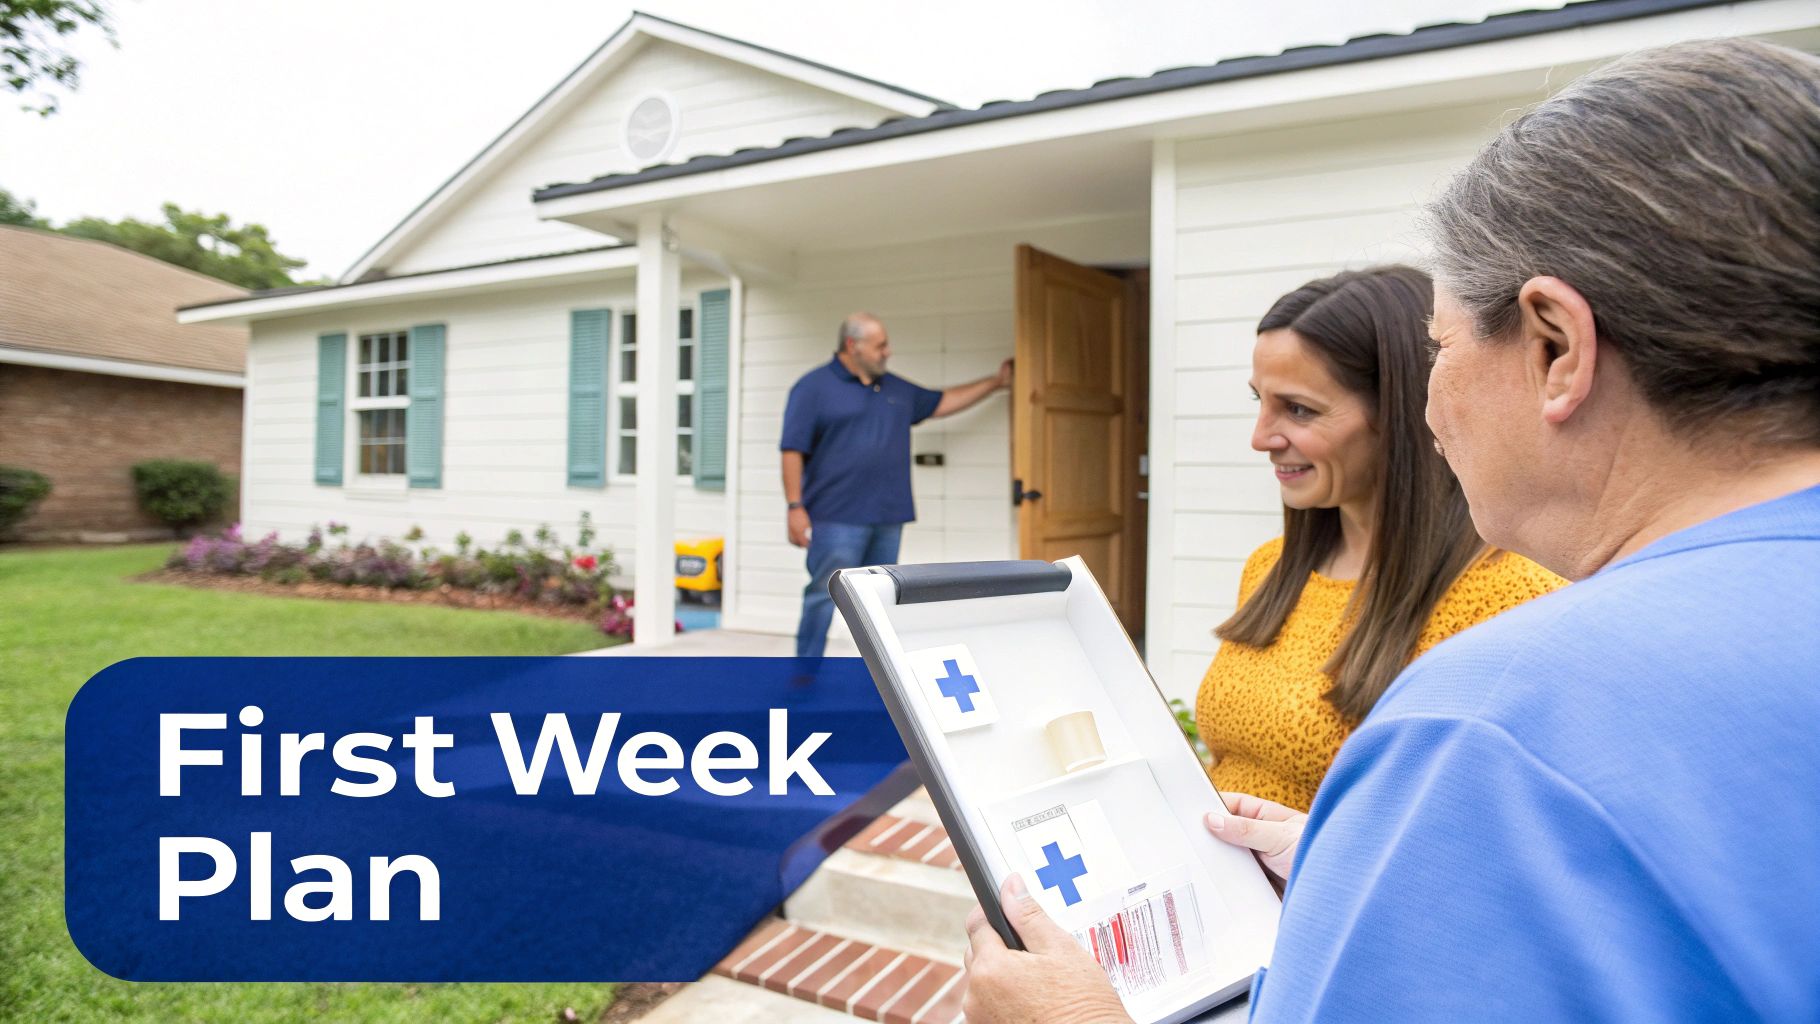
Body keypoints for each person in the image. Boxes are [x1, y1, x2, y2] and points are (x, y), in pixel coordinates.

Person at [959, 37, 1820, 1023]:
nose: (1435, 407)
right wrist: (1336, 853)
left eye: (1441, 351)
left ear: (1553, 347)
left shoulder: (1493, 711)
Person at [1199, 267, 1562, 814]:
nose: (1261, 438)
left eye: (1298, 409)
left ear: (1400, 412)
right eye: (1260, 401)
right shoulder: (1269, 568)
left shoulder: (1511, 600)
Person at [781, 313, 1011, 657]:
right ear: (851, 346)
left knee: (883, 599)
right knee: (822, 595)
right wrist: (795, 507)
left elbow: (942, 402)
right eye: (880, 345)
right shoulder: (812, 388)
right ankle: (803, 675)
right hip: (835, 518)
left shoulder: (895, 388)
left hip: (888, 517)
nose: (888, 352)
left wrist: (996, 382)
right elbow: (792, 450)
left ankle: (884, 676)